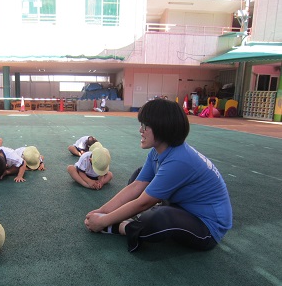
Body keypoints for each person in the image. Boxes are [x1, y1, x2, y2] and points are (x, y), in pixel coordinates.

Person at [84, 99, 232, 253]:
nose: (140, 130)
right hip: (182, 207)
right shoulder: (157, 152)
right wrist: (101, 211)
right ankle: (127, 219)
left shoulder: (179, 160)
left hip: (206, 227)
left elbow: (143, 203)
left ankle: (122, 227)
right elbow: (137, 185)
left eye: (145, 126)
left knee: (158, 218)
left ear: (163, 128)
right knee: (139, 176)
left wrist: (103, 222)